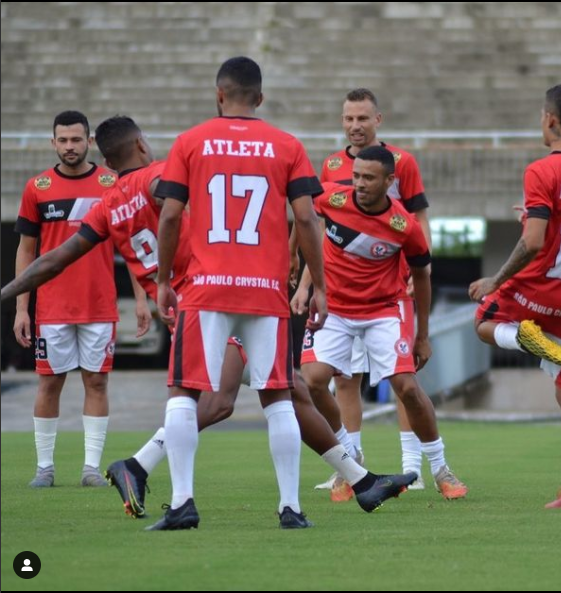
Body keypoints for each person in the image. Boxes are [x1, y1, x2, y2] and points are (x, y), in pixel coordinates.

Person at [2, 115, 416, 522]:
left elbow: (55, 258)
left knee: (292, 390)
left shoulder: (109, 204)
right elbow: (174, 205)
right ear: (143, 145)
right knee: (224, 402)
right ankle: (142, 466)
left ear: (106, 161)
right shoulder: (158, 176)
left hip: (191, 300)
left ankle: (362, 482)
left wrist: (8, 292)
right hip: (212, 298)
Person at [151, 55, 328, 531]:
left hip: (205, 289)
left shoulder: (189, 142)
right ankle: (290, 508)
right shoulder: (287, 145)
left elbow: (169, 217)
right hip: (265, 292)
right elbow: (307, 219)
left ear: (219, 95)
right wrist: (321, 288)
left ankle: (183, 502)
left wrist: (165, 280)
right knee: (278, 398)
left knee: (184, 394)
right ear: (261, 98)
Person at [469, 84, 561, 512]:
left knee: (482, 321)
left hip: (535, 292)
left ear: (550, 120)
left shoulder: (542, 170)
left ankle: (525, 340)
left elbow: (533, 243)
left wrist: (495, 279)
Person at [295, 146, 468, 501]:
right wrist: (296, 269)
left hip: (382, 311)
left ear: (390, 181)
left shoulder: (404, 226)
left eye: (368, 178)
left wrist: (423, 336)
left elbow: (422, 278)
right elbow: (302, 219)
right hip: (336, 311)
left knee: (406, 387)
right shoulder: (330, 199)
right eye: (356, 175)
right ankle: (350, 457)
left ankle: (440, 467)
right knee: (312, 381)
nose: (359, 183)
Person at [316, 88, 432, 494]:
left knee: (401, 379)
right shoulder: (330, 166)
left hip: (391, 289)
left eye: (362, 118)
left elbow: (417, 220)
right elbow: (314, 219)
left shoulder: (402, 163)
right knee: (344, 380)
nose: (354, 126)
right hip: (343, 292)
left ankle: (410, 465)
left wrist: (421, 270)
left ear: (377, 120)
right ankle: (351, 464)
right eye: (348, 118)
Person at [12, 110, 118, 488]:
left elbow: (129, 244)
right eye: (63, 140)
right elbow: (26, 251)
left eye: (76, 140)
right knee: (49, 383)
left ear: (89, 142)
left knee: (97, 383)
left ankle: (91, 468)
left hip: (99, 303)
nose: (69, 146)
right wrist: (22, 308)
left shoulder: (111, 183)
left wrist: (142, 299)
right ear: (53, 143)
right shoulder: (37, 187)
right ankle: (45, 467)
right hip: (52, 306)